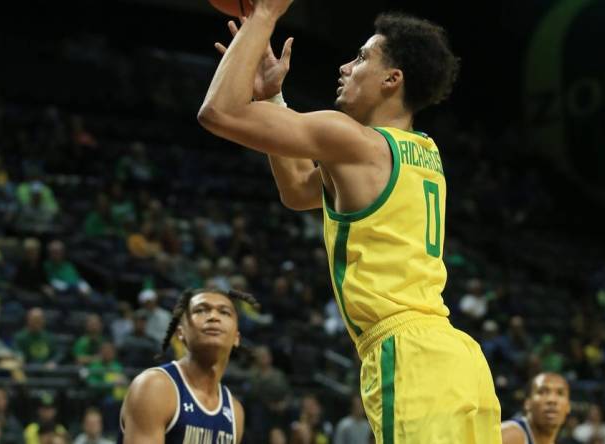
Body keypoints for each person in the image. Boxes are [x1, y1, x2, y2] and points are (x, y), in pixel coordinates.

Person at [200, 1, 496, 442]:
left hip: (411, 356)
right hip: (457, 359)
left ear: (392, 80)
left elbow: (218, 113)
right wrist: (272, 99)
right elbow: (299, 190)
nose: (344, 66)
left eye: (360, 58)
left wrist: (262, 16)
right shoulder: (422, 150)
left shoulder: (354, 140)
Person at [118, 288, 257, 443]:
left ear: (236, 338)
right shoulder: (155, 386)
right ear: (180, 333)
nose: (213, 317)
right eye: (201, 310)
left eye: (224, 312)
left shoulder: (234, 411)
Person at [501, 373, 571, 444]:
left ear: (568, 406)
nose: (552, 400)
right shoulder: (511, 435)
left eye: (560, 393)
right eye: (542, 392)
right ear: (527, 403)